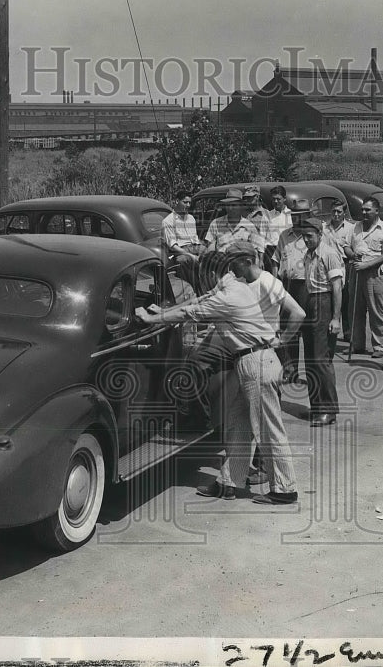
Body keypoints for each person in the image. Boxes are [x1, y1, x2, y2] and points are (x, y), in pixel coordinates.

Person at [136, 241, 304, 504]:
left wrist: (152, 319)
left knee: (269, 430)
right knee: (237, 426)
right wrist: (164, 311)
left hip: (256, 362)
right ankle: (228, 482)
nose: (202, 282)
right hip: (250, 363)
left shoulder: (228, 296)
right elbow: (199, 299)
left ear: (212, 274)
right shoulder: (231, 284)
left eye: (203, 276)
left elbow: (192, 311)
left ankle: (285, 489)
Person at [297, 219, 344, 426]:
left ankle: (328, 409)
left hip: (324, 303)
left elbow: (337, 288)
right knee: (310, 360)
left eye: (310, 236)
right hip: (310, 302)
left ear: (320, 234)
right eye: (304, 236)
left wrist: (335, 318)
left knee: (321, 360)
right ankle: (316, 407)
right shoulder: (308, 255)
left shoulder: (329, 254)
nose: (306, 240)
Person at [270, 198, 314, 382]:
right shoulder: (284, 235)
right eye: (294, 216)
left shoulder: (313, 236)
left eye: (300, 216)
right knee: (288, 329)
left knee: (307, 329)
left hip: (306, 285)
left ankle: (312, 373)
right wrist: (275, 283)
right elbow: (275, 260)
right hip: (287, 285)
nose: (296, 219)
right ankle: (290, 371)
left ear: (308, 216)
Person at [349, 197, 383, 359]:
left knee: (377, 310)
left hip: (375, 274)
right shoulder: (356, 227)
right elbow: (346, 245)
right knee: (355, 311)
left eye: (367, 210)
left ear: (376, 211)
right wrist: (353, 254)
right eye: (362, 210)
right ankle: (357, 344)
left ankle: (380, 346)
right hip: (356, 272)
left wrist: (367, 265)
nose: (364, 212)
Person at [322, 199, 356, 340]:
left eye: (339, 212)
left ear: (344, 212)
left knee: (346, 299)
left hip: (345, 264)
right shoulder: (324, 227)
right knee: (332, 298)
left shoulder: (351, 228)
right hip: (328, 266)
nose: (336, 214)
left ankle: (348, 333)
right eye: (333, 211)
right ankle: (332, 329)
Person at [162, 189, 203, 283]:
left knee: (212, 254)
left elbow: (195, 239)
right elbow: (173, 246)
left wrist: (203, 249)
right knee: (183, 261)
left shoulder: (191, 218)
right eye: (185, 202)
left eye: (189, 203)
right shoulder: (168, 221)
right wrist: (191, 255)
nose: (188, 205)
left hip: (195, 247)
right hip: (180, 251)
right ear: (177, 201)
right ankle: (193, 288)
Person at [243, 184, 273, 266]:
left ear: (257, 197)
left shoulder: (265, 214)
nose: (248, 200)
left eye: (250, 197)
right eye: (246, 197)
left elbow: (266, 238)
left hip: (259, 255)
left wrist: (261, 259)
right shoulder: (243, 213)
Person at [265, 185, 292, 264]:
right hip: (269, 252)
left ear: (284, 199)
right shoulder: (267, 215)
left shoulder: (290, 215)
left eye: (278, 199)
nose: (276, 201)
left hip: (285, 252)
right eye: (273, 199)